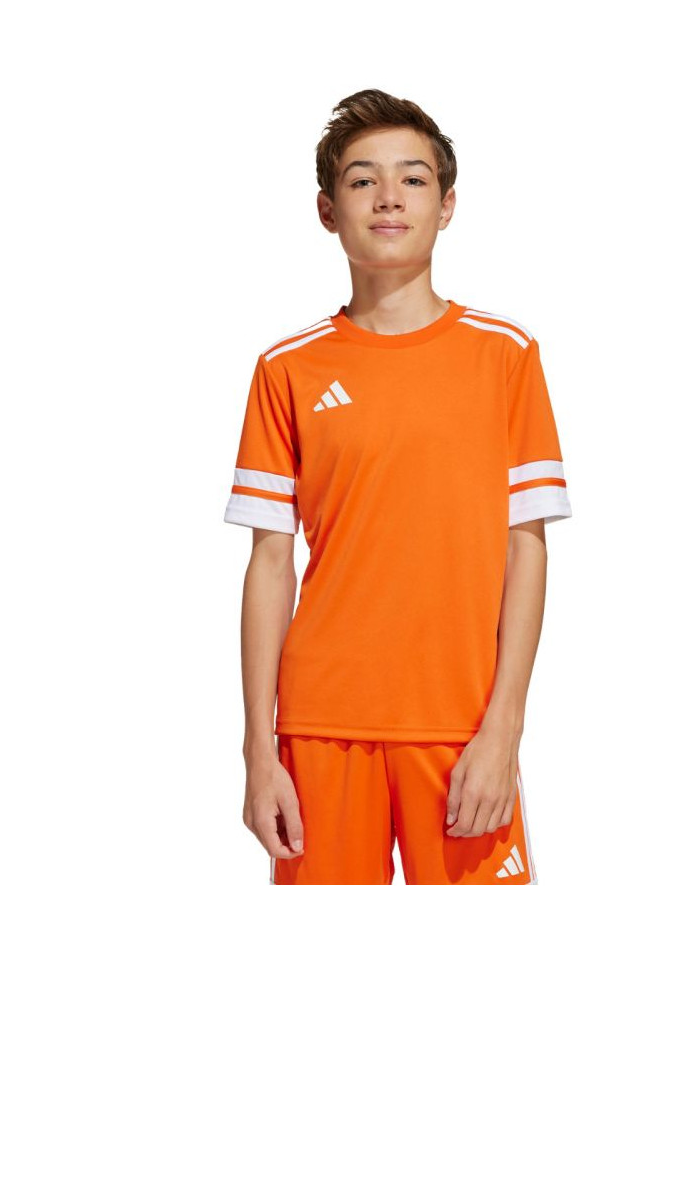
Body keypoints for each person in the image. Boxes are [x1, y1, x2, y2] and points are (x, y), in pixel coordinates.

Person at [224, 88, 572, 884]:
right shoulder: (286, 369)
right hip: (319, 726)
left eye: (413, 178)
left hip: (462, 725)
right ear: (327, 210)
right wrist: (258, 752)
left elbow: (526, 548)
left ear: (446, 206)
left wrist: (505, 730)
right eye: (363, 179)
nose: (389, 196)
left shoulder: (506, 356)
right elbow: (270, 564)